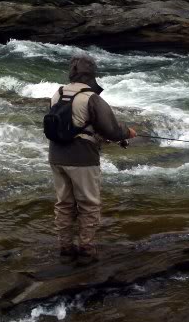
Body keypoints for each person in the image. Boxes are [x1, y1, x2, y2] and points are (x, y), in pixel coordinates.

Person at [48, 55, 136, 263]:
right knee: (88, 204)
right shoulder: (91, 98)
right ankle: (86, 248)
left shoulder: (57, 93)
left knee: (64, 203)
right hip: (82, 158)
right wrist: (128, 133)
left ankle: (65, 247)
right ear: (91, 74)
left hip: (56, 156)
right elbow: (112, 130)